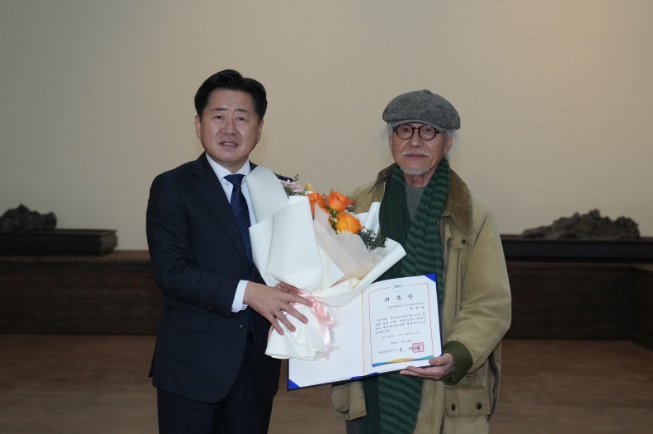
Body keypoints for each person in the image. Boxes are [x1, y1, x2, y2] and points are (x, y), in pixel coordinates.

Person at [331, 89, 511, 434]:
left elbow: (490, 303)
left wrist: (457, 353)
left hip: (441, 390)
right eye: (404, 129)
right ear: (391, 139)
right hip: (369, 388)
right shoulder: (358, 204)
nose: (415, 141)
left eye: (428, 131)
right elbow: (332, 284)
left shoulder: (473, 213)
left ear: (448, 143)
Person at [146, 69, 311, 434]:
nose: (230, 129)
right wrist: (250, 292)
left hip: (256, 367)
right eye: (219, 116)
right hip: (191, 366)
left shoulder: (282, 189)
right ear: (198, 124)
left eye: (242, 118)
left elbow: (296, 265)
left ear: (259, 128)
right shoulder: (173, 187)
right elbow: (172, 272)